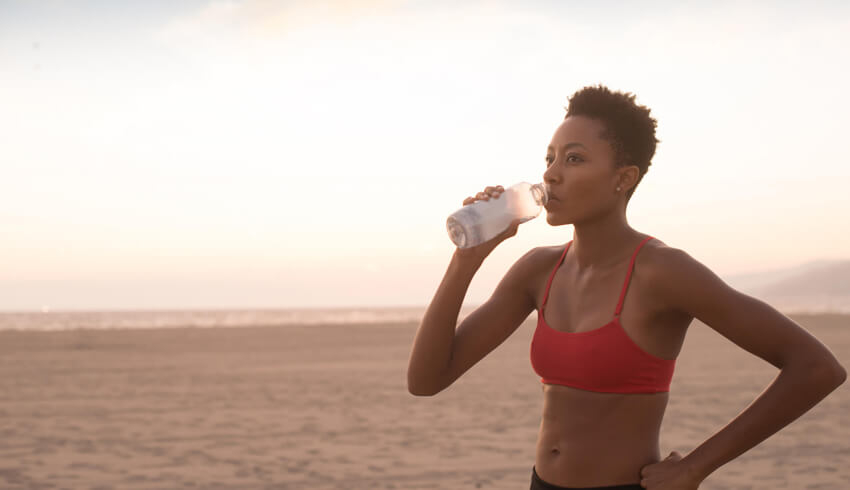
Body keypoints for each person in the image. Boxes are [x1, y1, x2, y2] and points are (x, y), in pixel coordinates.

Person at [406, 84, 847, 490]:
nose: (551, 175)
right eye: (550, 158)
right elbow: (426, 379)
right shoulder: (537, 270)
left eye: (574, 159)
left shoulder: (662, 271)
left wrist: (696, 466)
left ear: (624, 178)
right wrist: (466, 260)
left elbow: (816, 368)